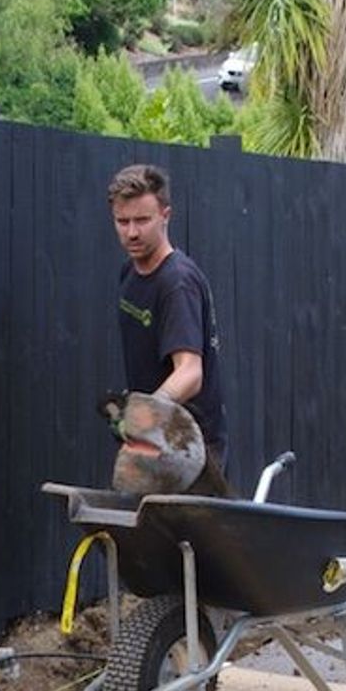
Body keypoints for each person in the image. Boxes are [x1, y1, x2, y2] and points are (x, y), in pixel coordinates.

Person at [108, 163, 227, 471]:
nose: (132, 232)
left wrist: (144, 415)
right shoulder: (130, 274)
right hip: (156, 444)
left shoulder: (177, 282)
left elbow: (190, 373)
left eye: (142, 220)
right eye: (123, 221)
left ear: (166, 216)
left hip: (191, 452)